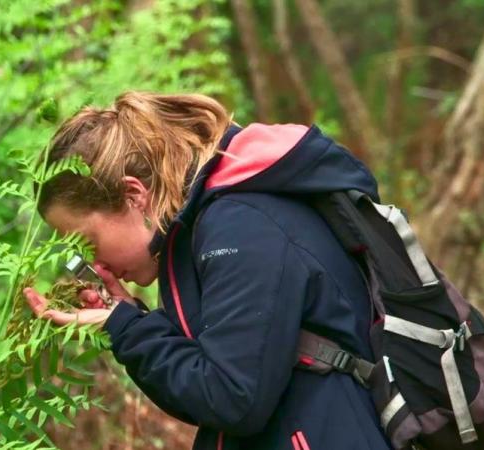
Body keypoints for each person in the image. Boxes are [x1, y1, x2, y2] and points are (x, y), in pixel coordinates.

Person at [23, 91, 393, 450]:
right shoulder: (206, 229)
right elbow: (221, 376)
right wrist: (127, 318)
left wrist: (126, 328)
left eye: (88, 241)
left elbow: (232, 399)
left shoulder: (239, 228)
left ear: (134, 195)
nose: (95, 264)